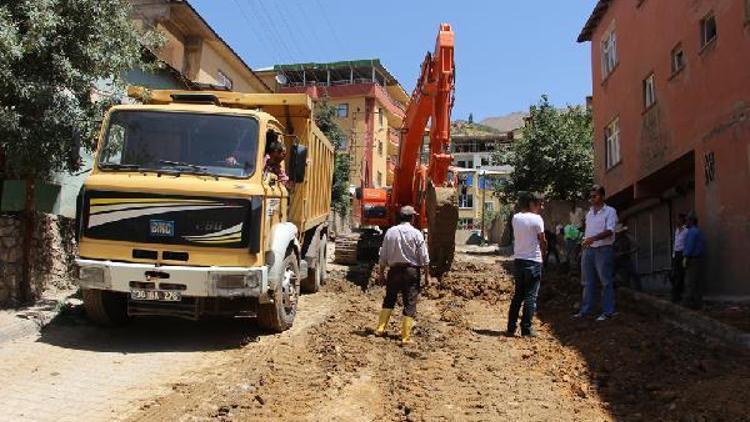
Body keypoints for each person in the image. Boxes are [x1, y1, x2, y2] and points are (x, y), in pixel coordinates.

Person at [374, 205, 431, 344]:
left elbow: (383, 255)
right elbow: (424, 256)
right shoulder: (417, 233)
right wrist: (426, 275)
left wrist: (381, 274)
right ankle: (405, 337)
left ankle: (380, 329)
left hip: (394, 271)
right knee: (410, 302)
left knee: (389, 298)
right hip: (411, 271)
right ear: (411, 218)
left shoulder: (390, 232)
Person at [506, 192, 547, 337]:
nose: (541, 207)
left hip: (518, 261)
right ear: (531, 204)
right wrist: (544, 252)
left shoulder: (515, 218)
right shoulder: (537, 219)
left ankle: (511, 328)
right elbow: (542, 239)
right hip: (533, 261)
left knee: (518, 295)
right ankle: (526, 328)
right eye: (539, 204)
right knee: (530, 296)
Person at [576, 184, 618, 321]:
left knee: (606, 281)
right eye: (590, 196)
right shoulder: (589, 213)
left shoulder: (610, 211)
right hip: (588, 250)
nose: (592, 199)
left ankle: (608, 312)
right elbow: (588, 232)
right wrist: (585, 242)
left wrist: (593, 239)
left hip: (603, 249)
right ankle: (586, 311)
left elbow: (610, 231)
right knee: (587, 281)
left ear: (602, 196)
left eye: (595, 196)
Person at [682, 213, 705, 309]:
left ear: (691, 221)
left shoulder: (691, 232)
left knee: (690, 281)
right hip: (699, 259)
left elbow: (690, 246)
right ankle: (697, 303)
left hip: (693, 259)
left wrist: (686, 257)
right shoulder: (699, 231)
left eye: (687, 220)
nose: (685, 222)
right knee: (697, 282)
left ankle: (687, 303)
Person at [613, 224, 641, 291]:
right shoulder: (614, 239)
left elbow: (637, 246)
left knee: (634, 275)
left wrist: (628, 252)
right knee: (611, 274)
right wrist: (616, 254)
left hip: (626, 258)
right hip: (616, 259)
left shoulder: (627, 237)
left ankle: (639, 290)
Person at [670, 213, 688, 303]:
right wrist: (673, 255)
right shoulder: (677, 230)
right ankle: (675, 294)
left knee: (680, 275)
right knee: (673, 275)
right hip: (676, 254)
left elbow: (687, 244)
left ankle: (677, 296)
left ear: (682, 220)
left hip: (682, 254)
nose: (677, 221)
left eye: (678, 219)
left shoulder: (686, 231)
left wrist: (685, 256)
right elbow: (675, 243)